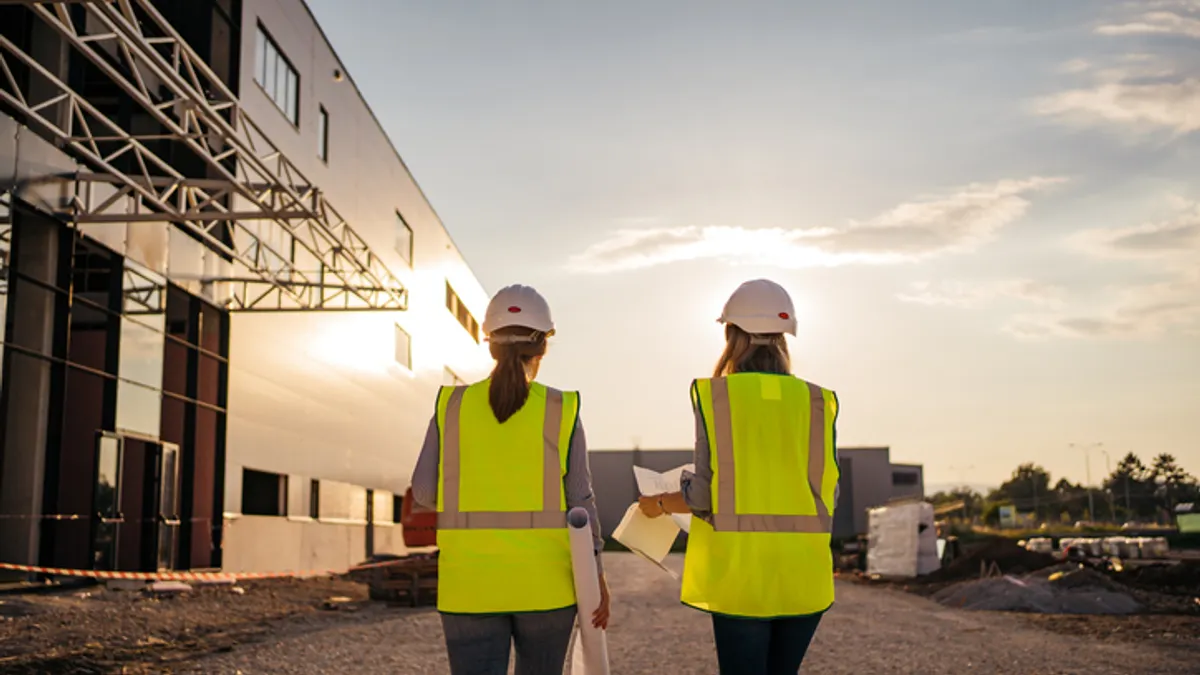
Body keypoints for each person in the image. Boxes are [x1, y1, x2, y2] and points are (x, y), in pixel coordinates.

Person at [638, 279, 839, 675]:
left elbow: (703, 495)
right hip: (805, 574)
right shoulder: (818, 401)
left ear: (731, 335)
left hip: (741, 577)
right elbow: (828, 489)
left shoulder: (717, 398)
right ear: (784, 337)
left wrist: (658, 504)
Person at [410, 284, 610, 675]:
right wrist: (597, 576)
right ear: (542, 347)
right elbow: (580, 502)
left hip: (469, 585)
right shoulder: (561, 408)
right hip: (546, 587)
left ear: (489, 344)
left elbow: (423, 492)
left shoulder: (451, 407)